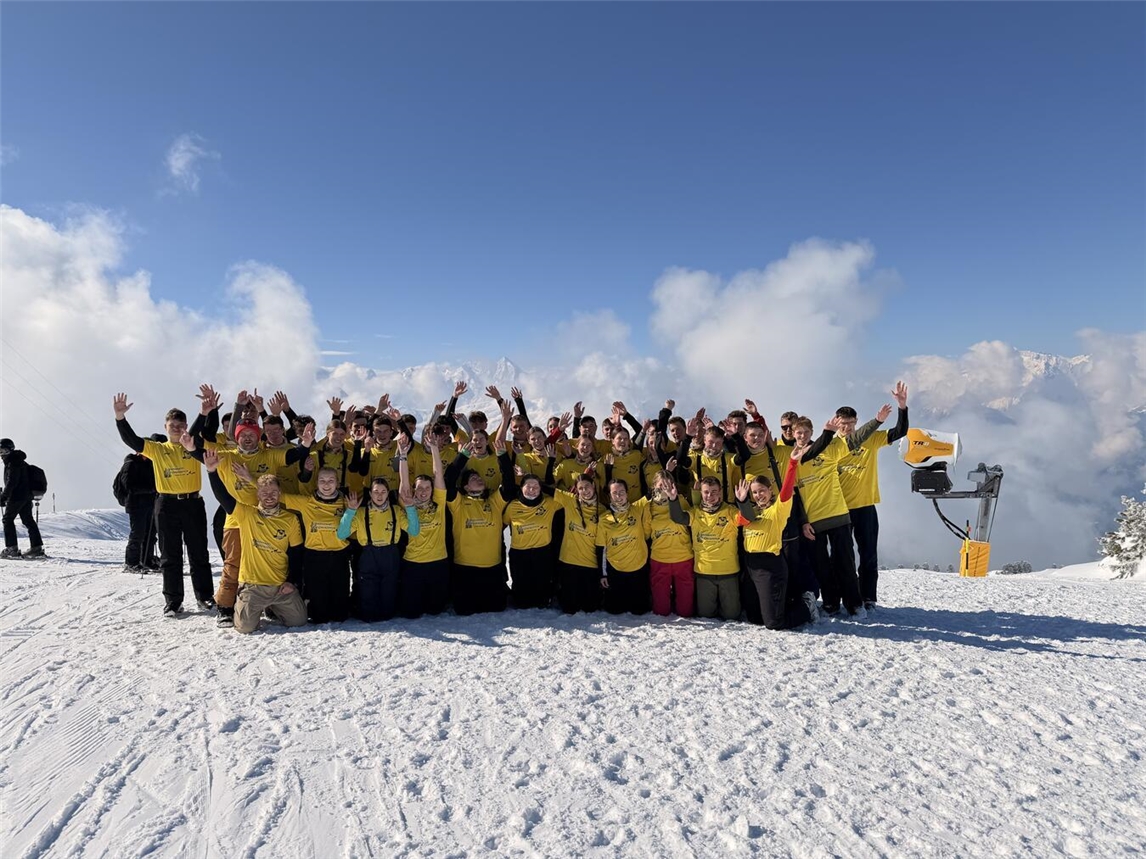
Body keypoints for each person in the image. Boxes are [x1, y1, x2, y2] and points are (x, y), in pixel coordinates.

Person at [113, 393, 215, 617]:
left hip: (193, 503)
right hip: (167, 504)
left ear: (186, 426)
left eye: (180, 425)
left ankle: (205, 597)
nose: (176, 429)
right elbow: (132, 440)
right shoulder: (157, 448)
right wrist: (120, 417)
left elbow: (197, 432)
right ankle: (173, 601)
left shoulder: (193, 445)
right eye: (172, 425)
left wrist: (204, 413)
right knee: (170, 555)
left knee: (199, 554)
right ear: (165, 427)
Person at [203, 450, 308, 634]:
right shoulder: (247, 514)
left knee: (299, 621)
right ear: (258, 494)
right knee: (245, 628)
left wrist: (292, 582)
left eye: (273, 492)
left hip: (280, 586)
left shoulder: (290, 519)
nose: (269, 496)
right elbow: (224, 498)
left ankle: (273, 607)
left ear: (279, 493)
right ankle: (244, 603)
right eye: (264, 493)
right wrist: (212, 472)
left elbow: (297, 554)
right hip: (253, 587)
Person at [835, 382, 910, 610]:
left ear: (857, 422)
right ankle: (842, 597)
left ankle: (868, 598)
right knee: (841, 557)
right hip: (838, 509)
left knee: (868, 555)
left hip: (866, 506)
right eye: (843, 424)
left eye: (850, 424)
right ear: (836, 422)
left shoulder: (870, 438)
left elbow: (900, 432)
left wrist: (902, 407)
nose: (847, 428)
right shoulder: (829, 443)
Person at [337, 436, 420, 622]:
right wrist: (350, 511)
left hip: (390, 555)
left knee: (388, 606)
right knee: (368, 606)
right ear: (370, 493)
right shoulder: (361, 513)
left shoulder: (396, 511)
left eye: (383, 492)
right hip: (368, 556)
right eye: (376, 492)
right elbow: (341, 534)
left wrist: (411, 508)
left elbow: (414, 531)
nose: (380, 495)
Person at [735, 438, 811, 629]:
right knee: (753, 617)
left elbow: (786, 493)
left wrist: (792, 464)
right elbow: (743, 520)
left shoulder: (778, 510)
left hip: (770, 565)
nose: (758, 495)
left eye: (762, 491)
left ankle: (806, 608)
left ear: (770, 490)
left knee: (773, 623)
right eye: (754, 492)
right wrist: (743, 501)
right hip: (750, 565)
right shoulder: (749, 511)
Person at [444, 428, 517, 616]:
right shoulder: (458, 502)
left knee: (496, 607)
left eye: (480, 478)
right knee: (464, 609)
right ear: (466, 486)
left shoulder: (493, 501)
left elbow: (509, 485)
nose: (479, 479)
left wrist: (502, 456)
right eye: (474, 478)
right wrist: (463, 456)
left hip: (491, 567)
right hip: (465, 568)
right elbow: (448, 480)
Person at [669, 476, 743, 620]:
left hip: (728, 571)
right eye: (706, 492)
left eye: (714, 492)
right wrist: (673, 499)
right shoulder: (696, 512)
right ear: (701, 493)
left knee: (732, 615)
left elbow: (746, 519)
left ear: (720, 492)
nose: (710, 496)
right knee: (705, 615)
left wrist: (743, 501)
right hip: (704, 572)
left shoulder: (730, 510)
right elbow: (678, 518)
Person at [400, 435, 451, 618]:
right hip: (413, 563)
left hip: (438, 562)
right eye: (419, 488)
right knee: (411, 612)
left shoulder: (438, 502)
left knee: (435, 610)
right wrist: (403, 456)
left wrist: (435, 449)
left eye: (427, 488)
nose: (423, 492)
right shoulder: (408, 502)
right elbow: (404, 482)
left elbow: (438, 474)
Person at [596, 479, 652, 615]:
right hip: (616, 569)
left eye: (621, 492)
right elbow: (601, 549)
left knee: (640, 611)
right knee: (615, 610)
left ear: (627, 493)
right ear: (609, 496)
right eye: (614, 493)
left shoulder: (637, 508)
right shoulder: (604, 518)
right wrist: (603, 574)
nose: (619, 496)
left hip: (638, 568)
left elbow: (654, 492)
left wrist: (667, 471)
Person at [552, 474, 604, 614]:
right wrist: (524, 475)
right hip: (569, 562)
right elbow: (547, 489)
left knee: (590, 607)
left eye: (587, 486)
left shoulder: (603, 511)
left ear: (593, 486)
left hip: (590, 564)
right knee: (569, 608)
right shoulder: (570, 500)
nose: (585, 491)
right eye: (580, 488)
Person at [113, 433, 165, 572]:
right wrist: (151, 489)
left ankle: (146, 560)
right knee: (138, 533)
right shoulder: (130, 464)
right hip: (136, 504)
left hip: (149, 503)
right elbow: (129, 486)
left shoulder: (148, 464)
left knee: (150, 533)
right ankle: (131, 563)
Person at [0, 438, 44, 559]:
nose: (2, 454)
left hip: (17, 496)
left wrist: (4, 496)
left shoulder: (13, 462)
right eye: (0, 451)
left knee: (7, 520)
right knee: (28, 520)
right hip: (26, 496)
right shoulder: (18, 461)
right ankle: (36, 548)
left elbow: (12, 482)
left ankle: (12, 549)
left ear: (11, 450)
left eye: (4, 450)